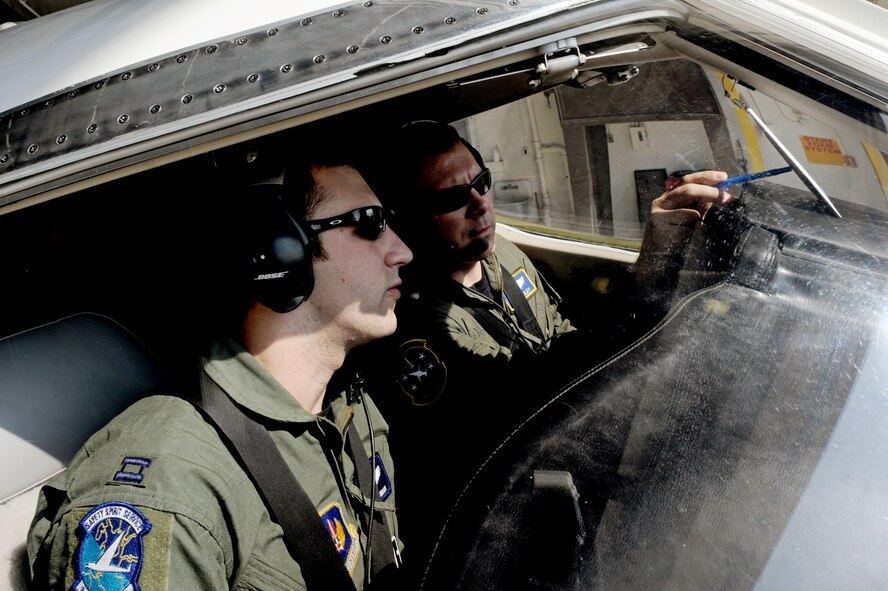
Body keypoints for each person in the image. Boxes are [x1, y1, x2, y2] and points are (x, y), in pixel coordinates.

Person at [26, 137, 413, 590]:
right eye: (368, 224)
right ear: (281, 248)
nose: (402, 250)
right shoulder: (172, 488)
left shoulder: (350, 415)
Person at [356, 119, 734, 575]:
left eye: (482, 183)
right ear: (406, 217)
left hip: (569, 462)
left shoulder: (503, 256)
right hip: (503, 521)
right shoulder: (412, 328)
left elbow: (561, 338)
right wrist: (651, 268)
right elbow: (531, 397)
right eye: (453, 198)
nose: (480, 206)